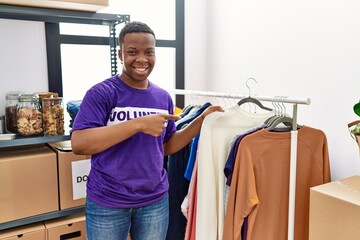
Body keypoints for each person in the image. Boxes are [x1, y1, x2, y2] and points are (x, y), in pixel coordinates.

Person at [70, 21, 223, 240]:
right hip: (108, 202)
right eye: (133, 52)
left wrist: (200, 121)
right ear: (121, 54)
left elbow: (167, 146)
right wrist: (139, 124)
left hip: (154, 202)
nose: (142, 59)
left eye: (149, 52)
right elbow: (80, 143)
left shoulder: (162, 97)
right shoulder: (101, 93)